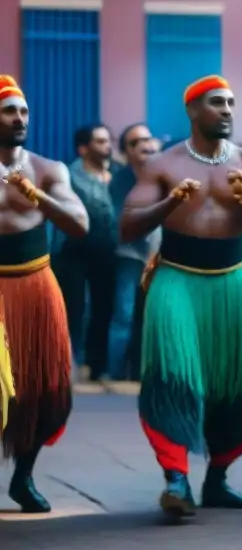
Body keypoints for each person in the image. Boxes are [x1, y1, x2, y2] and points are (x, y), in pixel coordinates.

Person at [121, 74, 242, 517]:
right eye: (217, 103)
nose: (228, 110)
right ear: (193, 110)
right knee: (173, 377)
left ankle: (218, 479)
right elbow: (128, 226)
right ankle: (176, 478)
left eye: (231, 102)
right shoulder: (163, 165)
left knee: (238, 384)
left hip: (235, 280)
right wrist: (171, 203)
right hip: (177, 279)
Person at [0, 75, 88, 512]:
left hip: (36, 286)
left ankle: (24, 477)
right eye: (9, 111)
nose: (19, 119)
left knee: (45, 389)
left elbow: (80, 224)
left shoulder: (50, 169)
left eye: (23, 112)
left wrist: (38, 198)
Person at [54, 123, 117, 380]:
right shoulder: (67, 176)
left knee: (104, 308)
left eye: (108, 140)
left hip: (108, 251)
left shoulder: (120, 175)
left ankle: (97, 366)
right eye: (100, 141)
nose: (108, 145)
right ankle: (69, 363)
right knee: (74, 309)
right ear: (83, 148)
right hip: (73, 250)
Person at [109, 124, 160, 381]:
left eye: (148, 139)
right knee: (124, 315)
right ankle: (115, 373)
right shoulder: (120, 180)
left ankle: (146, 372)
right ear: (125, 152)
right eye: (136, 142)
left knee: (153, 317)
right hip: (130, 256)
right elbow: (123, 219)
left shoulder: (163, 174)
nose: (144, 145)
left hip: (160, 257)